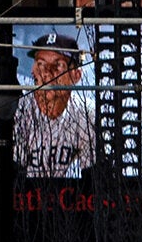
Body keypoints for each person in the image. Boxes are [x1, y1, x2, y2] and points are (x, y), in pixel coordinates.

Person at [11, 32, 96, 180]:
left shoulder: (87, 114)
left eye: (58, 65)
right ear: (33, 70)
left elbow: (93, 180)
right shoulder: (15, 110)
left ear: (76, 76)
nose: (47, 73)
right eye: (41, 64)